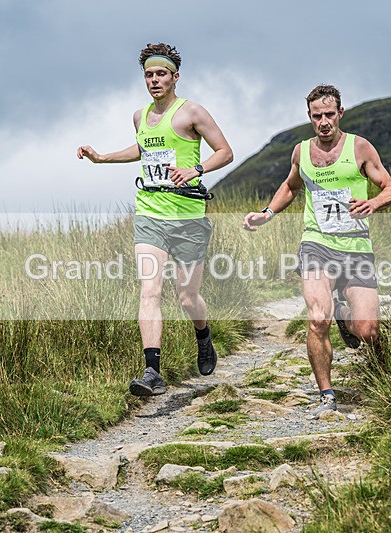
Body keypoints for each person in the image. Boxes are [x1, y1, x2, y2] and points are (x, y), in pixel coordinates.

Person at [77, 43, 233, 396]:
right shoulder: (140, 115)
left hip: (189, 218)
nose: (154, 80)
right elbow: (142, 149)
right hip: (150, 213)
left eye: (161, 74)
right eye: (149, 74)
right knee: (150, 290)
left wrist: (194, 169)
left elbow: (225, 152)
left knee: (187, 297)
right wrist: (102, 158)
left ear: (175, 77)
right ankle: (152, 371)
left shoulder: (191, 113)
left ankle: (203, 336)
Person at [243, 84, 391, 419]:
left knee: (368, 332)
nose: (324, 121)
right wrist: (267, 213)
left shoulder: (359, 148)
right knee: (316, 318)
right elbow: (290, 185)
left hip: (356, 248)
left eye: (330, 114)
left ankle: (348, 317)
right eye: (317, 116)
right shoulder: (301, 152)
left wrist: (373, 202)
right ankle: (326, 394)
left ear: (340, 114)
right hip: (317, 245)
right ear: (310, 117)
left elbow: (390, 188)